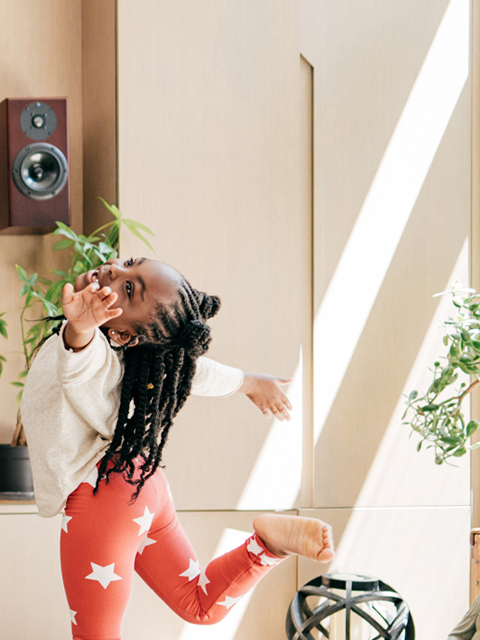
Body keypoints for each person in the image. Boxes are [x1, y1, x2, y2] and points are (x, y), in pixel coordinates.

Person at [20, 257, 334, 639]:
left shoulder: (96, 351)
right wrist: (248, 382)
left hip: (103, 497)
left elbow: (79, 360)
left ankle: (267, 544)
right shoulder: (133, 354)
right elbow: (192, 370)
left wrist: (82, 326)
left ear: (122, 335)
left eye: (130, 289)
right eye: (129, 263)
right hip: (141, 483)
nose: (115, 271)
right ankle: (266, 545)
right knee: (199, 604)